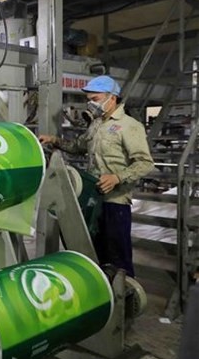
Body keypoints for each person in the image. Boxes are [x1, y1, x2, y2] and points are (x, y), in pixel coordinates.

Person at [38, 75, 154, 277]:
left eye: (96, 99)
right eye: (89, 99)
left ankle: (123, 298)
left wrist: (117, 178)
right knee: (93, 252)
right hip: (94, 198)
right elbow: (78, 147)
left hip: (115, 201)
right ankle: (100, 294)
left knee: (118, 258)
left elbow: (145, 163)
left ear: (112, 98)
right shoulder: (96, 124)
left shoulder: (129, 126)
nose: (91, 104)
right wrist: (53, 140)